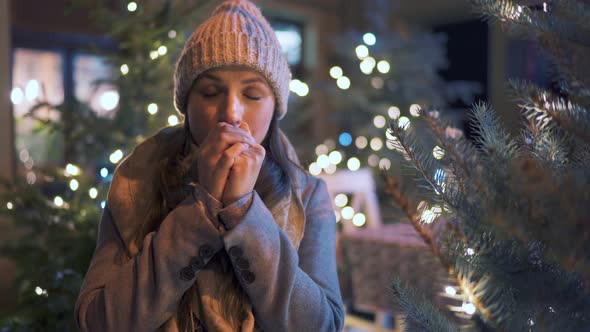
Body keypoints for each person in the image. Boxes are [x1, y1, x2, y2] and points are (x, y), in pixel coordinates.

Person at [74, 0, 344, 331]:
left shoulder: (308, 193)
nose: (231, 113)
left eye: (253, 95)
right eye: (211, 92)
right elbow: (98, 321)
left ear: (275, 108)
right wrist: (201, 207)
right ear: (187, 104)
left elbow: (324, 325)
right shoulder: (136, 179)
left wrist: (243, 211)